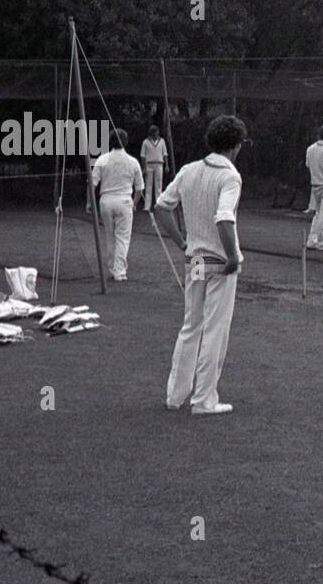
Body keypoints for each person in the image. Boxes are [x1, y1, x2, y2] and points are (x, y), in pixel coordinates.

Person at [154, 115, 246, 415]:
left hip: (194, 259)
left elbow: (161, 207)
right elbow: (224, 217)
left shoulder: (189, 170)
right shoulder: (230, 175)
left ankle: (175, 396)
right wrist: (233, 256)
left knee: (191, 326)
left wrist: (181, 241)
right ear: (236, 145)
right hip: (219, 261)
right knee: (215, 330)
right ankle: (204, 400)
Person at [91, 129, 145, 281]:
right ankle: (119, 271)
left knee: (110, 236)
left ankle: (113, 269)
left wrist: (89, 202)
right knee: (122, 237)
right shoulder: (132, 161)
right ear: (125, 142)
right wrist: (134, 204)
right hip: (123, 201)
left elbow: (92, 183)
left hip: (106, 201)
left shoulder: (102, 159)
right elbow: (140, 188)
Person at [140, 125, 169, 211]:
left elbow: (165, 154)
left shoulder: (162, 141)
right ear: (151, 133)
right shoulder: (145, 142)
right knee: (148, 186)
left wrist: (167, 165)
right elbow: (143, 156)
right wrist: (144, 168)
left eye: (157, 132)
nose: (157, 134)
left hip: (159, 164)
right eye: (155, 132)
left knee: (158, 185)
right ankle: (147, 206)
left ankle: (158, 204)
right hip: (149, 164)